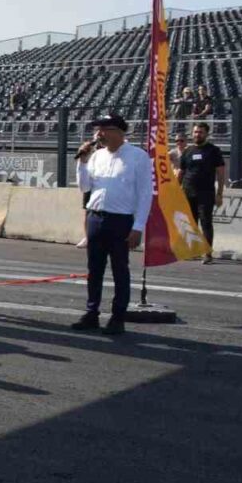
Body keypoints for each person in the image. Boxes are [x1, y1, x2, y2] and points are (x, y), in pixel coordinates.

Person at [72, 114, 152, 336]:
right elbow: (84, 186)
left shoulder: (138, 157)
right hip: (96, 218)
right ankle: (91, 313)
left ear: (119, 131)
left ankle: (117, 317)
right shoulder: (96, 156)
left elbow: (146, 194)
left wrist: (139, 226)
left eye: (104, 129)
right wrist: (82, 162)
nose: (99, 134)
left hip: (121, 221)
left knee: (120, 271)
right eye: (98, 130)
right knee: (94, 270)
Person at [175, 122, 225, 264]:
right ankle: (193, 252)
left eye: (201, 132)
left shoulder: (213, 150)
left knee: (206, 222)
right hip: (188, 192)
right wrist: (176, 190)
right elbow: (181, 172)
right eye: (196, 132)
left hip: (206, 193)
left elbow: (221, 173)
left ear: (206, 134)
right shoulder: (187, 151)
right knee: (190, 224)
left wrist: (220, 193)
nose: (198, 134)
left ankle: (207, 253)